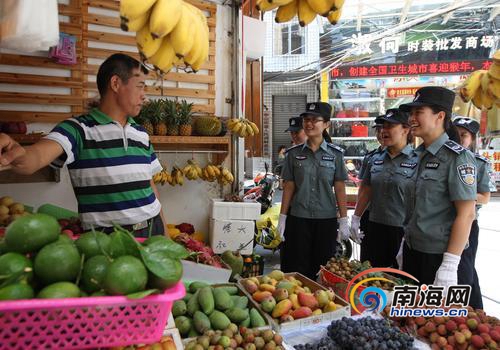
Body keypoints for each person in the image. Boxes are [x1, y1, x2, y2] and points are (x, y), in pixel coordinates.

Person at [0, 53, 167, 237]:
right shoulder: (78, 130)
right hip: (108, 239)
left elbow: (150, 187)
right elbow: (36, 157)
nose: (145, 96)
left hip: (154, 229)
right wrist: (17, 154)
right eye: (140, 87)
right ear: (116, 84)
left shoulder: (141, 133)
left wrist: (165, 234)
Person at [398, 87, 477, 287]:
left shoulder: (457, 157)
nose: (411, 118)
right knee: (410, 315)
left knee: (434, 316)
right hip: (413, 250)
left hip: (439, 256)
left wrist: (450, 264)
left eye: (418, 112)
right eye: (411, 113)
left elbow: (467, 214)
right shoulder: (416, 155)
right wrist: (404, 243)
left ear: (439, 116)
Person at [277, 102, 349, 280]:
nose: (309, 124)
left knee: (323, 267)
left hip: (326, 220)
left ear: (326, 124)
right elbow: (289, 186)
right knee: (297, 266)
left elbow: (339, 187)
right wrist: (282, 218)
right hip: (298, 218)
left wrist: (344, 220)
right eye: (306, 120)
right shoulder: (293, 154)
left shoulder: (336, 154)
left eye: (314, 120)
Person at [349, 109, 417, 268]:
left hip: (401, 230)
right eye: (382, 127)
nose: (383, 131)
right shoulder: (375, 159)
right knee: (370, 274)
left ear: (405, 130)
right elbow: (366, 189)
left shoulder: (418, 160)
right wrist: (356, 218)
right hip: (374, 227)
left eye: (390, 127)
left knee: (397, 278)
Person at [453, 116, 496, 309]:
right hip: (445, 223)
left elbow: (485, 197)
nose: (459, 138)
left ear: (472, 139)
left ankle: (469, 311)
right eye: (456, 134)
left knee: (464, 270)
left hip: (468, 224)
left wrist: (460, 193)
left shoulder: (479, 163)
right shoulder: (445, 158)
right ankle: (475, 308)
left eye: (464, 135)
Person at [350, 116, 385, 246]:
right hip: (370, 214)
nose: (382, 133)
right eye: (378, 130)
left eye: (385, 129)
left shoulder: (412, 157)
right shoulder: (371, 157)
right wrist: (356, 217)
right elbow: (363, 188)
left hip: (397, 219)